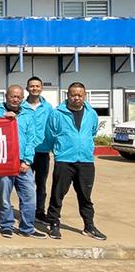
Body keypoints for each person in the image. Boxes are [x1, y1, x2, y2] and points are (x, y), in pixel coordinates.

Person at [45, 82, 106, 241]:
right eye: (73, 95)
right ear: (68, 95)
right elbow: (50, 135)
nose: (76, 98)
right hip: (64, 160)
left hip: (86, 161)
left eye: (80, 95)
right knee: (58, 194)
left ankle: (89, 226)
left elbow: (92, 132)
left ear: (84, 96)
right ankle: (54, 223)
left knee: (86, 196)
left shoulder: (91, 113)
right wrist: (59, 150)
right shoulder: (57, 113)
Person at [0, 85, 46, 239]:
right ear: (6, 96)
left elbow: (32, 139)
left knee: (29, 196)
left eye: (19, 97)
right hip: (3, 161)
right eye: (13, 96)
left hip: (23, 162)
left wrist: (27, 160)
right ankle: (6, 225)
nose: (15, 99)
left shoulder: (27, 114)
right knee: (4, 196)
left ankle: (27, 228)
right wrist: (1, 118)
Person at [22, 76, 53, 225]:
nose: (34, 88)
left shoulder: (48, 108)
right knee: (25, 184)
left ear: (41, 88)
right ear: (27, 88)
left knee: (41, 184)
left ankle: (40, 212)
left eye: (37, 86)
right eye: (32, 86)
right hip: (25, 151)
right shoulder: (21, 106)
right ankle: (26, 212)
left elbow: (53, 127)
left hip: (42, 151)